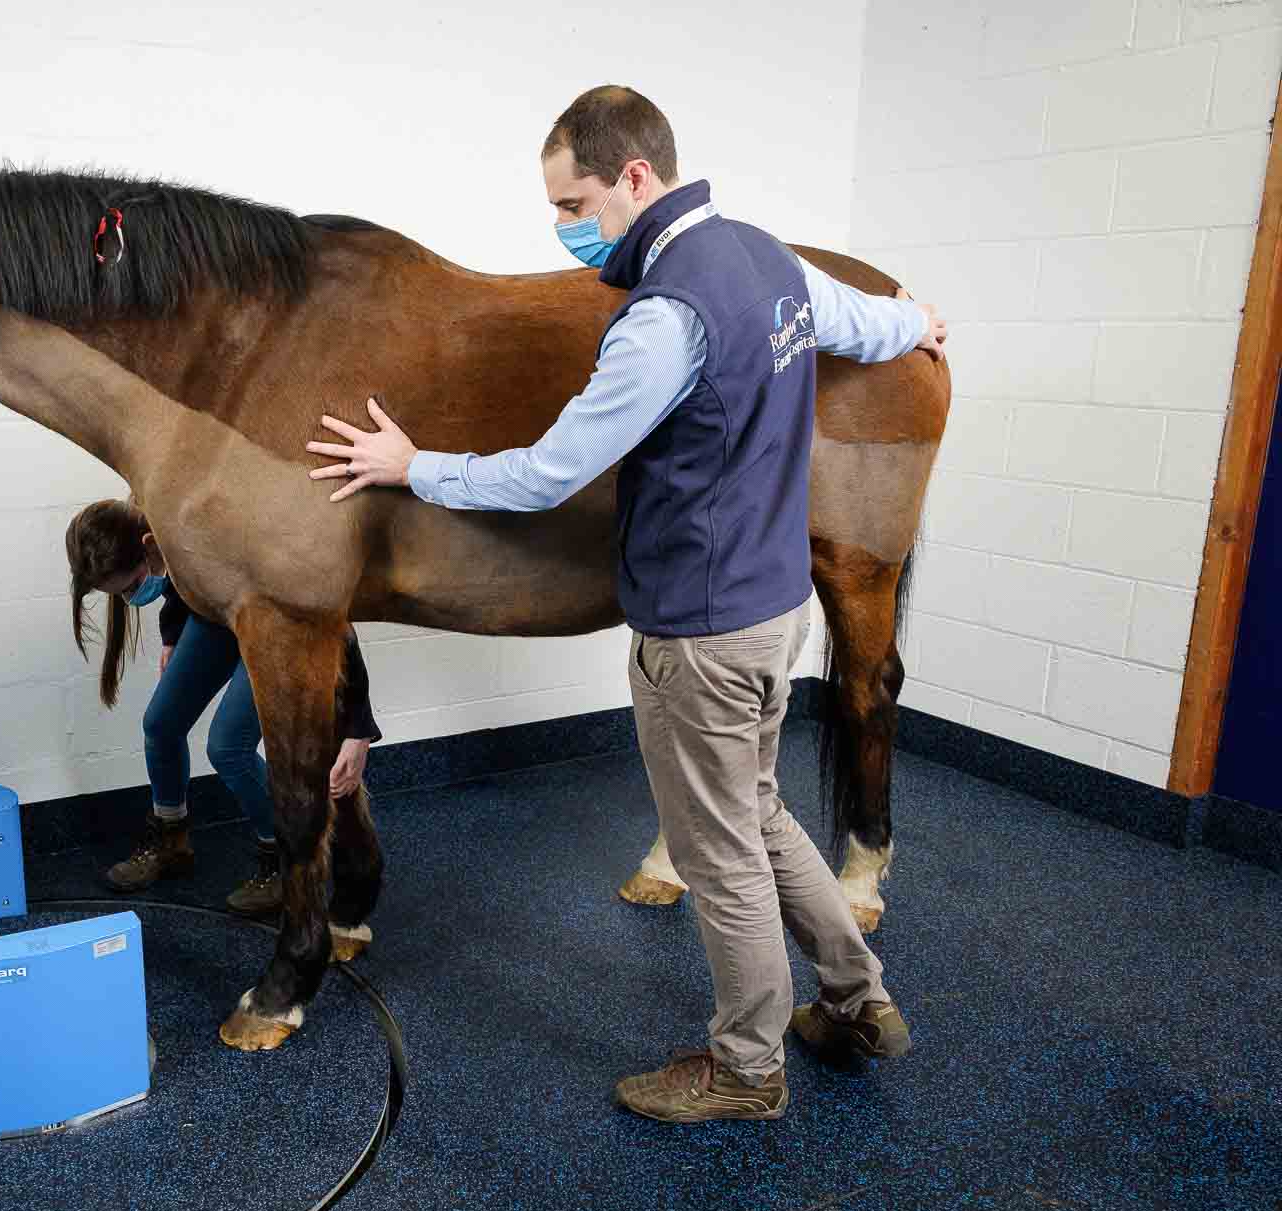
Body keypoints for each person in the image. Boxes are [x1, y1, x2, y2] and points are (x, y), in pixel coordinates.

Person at [306, 85, 947, 1123]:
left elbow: (548, 474)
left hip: (699, 631)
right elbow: (861, 321)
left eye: (575, 203)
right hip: (771, 608)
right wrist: (917, 322)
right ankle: (856, 996)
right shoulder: (767, 257)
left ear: (635, 177)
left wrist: (412, 464)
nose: (567, 226)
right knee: (759, 811)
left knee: (717, 852)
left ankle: (746, 1068)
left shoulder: (662, 319)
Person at [66, 499, 380, 914]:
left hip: (276, 623)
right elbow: (179, 581)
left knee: (228, 746)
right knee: (160, 724)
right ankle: (171, 840)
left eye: (132, 585)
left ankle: (286, 861)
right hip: (218, 617)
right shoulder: (167, 526)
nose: (131, 597)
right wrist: (172, 637)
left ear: (148, 545)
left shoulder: (228, 538)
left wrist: (358, 730)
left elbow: (337, 624)